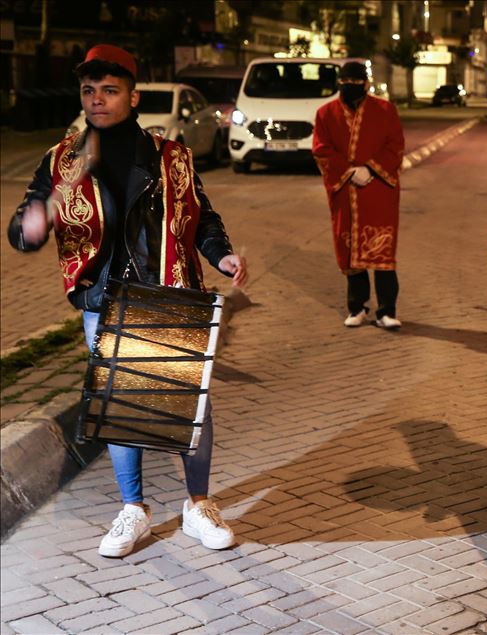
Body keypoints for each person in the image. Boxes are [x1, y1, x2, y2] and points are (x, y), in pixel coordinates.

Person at [7, 44, 248, 557]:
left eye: (109, 90)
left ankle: (198, 505)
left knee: (190, 405)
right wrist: (29, 226)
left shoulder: (172, 156)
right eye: (88, 90)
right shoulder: (62, 159)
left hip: (169, 291)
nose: (97, 99)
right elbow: (25, 224)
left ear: (133, 97)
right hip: (103, 300)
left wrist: (221, 255)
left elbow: (203, 218)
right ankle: (134, 508)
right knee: (120, 407)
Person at [312, 61, 405, 329]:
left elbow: (395, 145)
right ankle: (358, 307)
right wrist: (349, 172)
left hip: (378, 191)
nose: (350, 86)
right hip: (346, 191)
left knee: (382, 250)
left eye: (355, 82)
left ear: (366, 84)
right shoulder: (325, 113)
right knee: (350, 249)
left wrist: (370, 169)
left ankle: (386, 311)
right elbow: (321, 149)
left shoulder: (385, 110)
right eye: (345, 82)